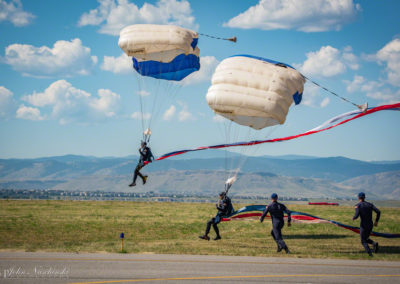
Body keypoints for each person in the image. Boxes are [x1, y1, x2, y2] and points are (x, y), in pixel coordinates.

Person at [352, 192, 380, 256]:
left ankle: (369, 253)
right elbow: (378, 212)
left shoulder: (358, 205)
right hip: (370, 224)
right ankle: (374, 244)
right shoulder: (370, 204)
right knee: (366, 238)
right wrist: (376, 221)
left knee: (363, 240)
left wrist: (353, 218)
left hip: (364, 225)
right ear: (364, 197)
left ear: (358, 197)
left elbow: (356, 215)